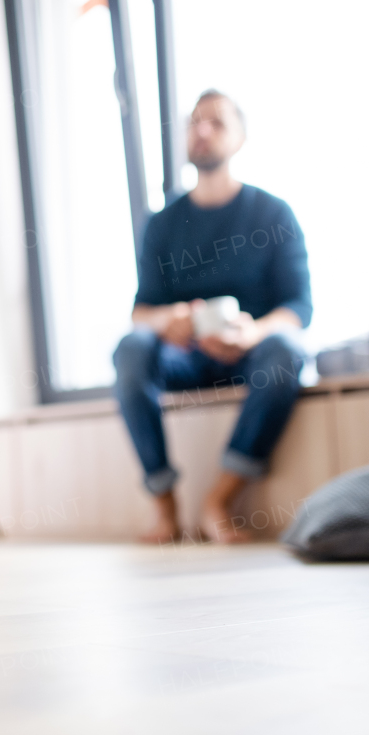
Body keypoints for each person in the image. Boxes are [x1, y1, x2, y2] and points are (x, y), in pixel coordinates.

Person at [113, 90, 312, 544]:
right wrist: (169, 320)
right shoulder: (162, 224)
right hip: (183, 356)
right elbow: (140, 312)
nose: (201, 130)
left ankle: (218, 501)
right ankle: (164, 503)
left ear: (241, 139)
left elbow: (300, 308)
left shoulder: (274, 214)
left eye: (217, 122)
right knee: (131, 349)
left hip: (250, 354)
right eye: (194, 121)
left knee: (284, 350)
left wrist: (253, 331)